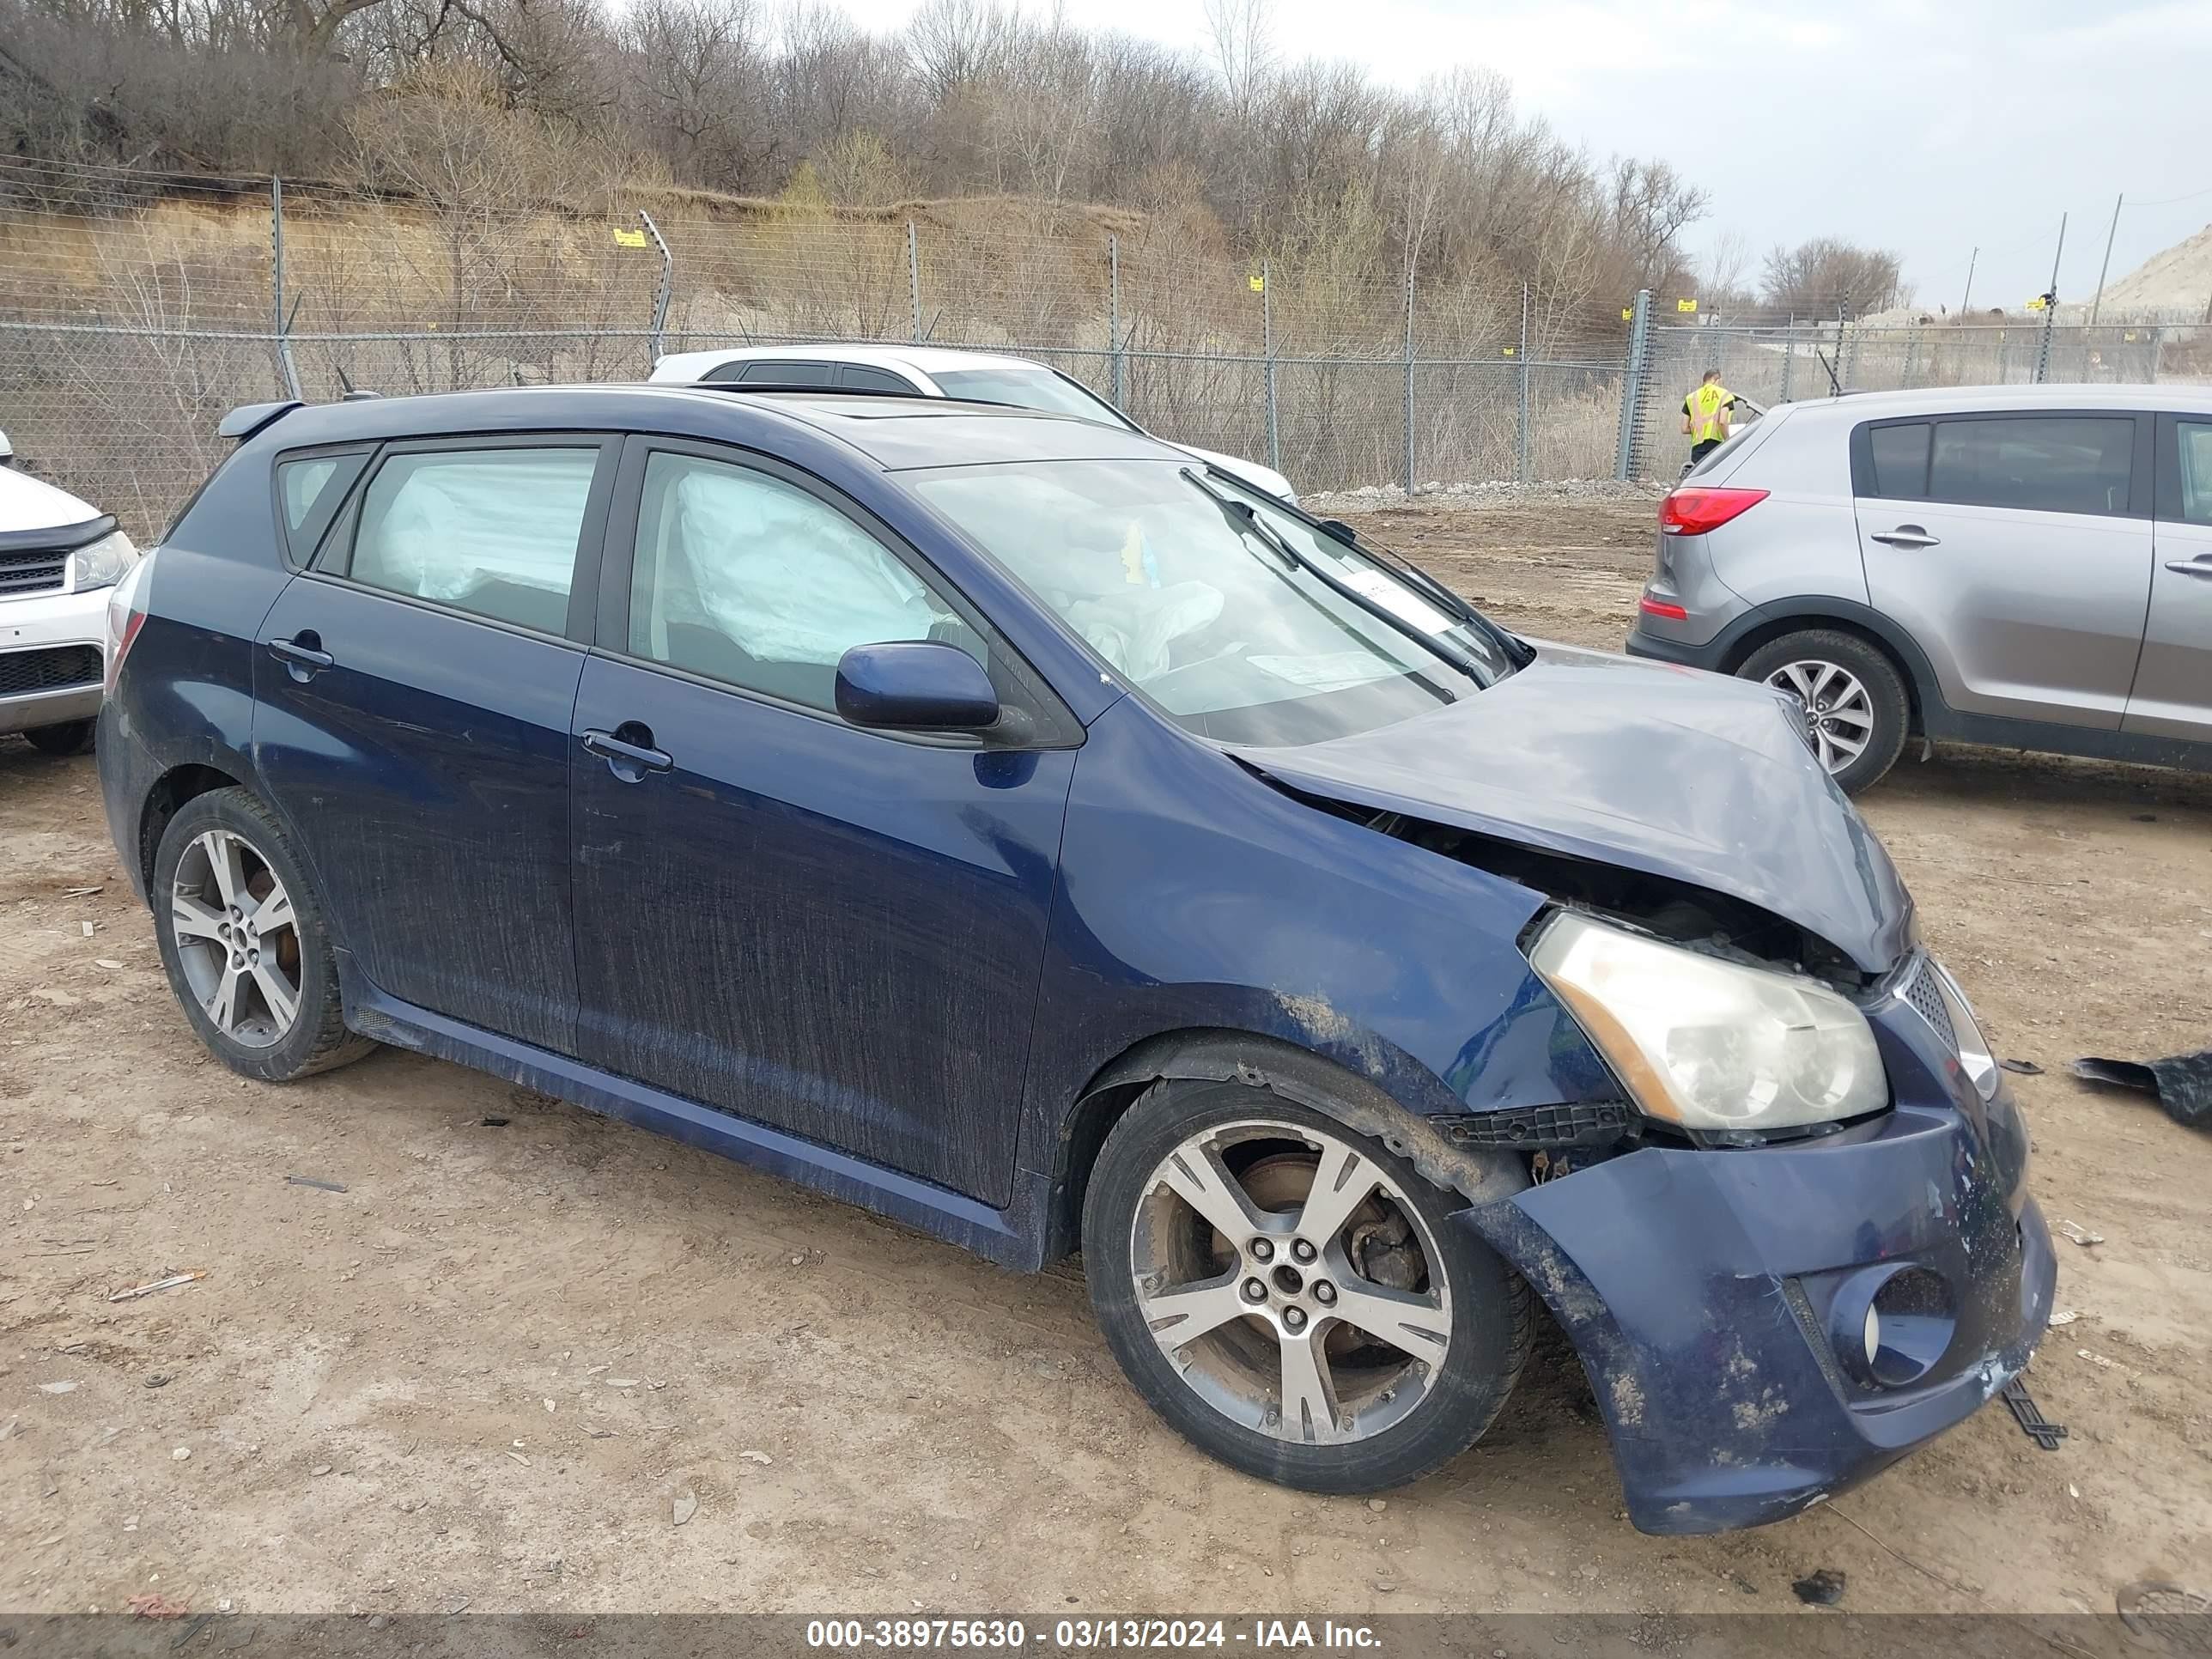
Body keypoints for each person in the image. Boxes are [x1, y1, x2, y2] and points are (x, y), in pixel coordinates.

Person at [1682, 369, 1736, 466]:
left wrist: (1699, 427)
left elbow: (1684, 428)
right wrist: (1728, 440)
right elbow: (1722, 422)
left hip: (1697, 446)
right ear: (1716, 380)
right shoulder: (1724, 395)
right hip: (1716, 444)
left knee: (1699, 476)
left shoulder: (1691, 397)